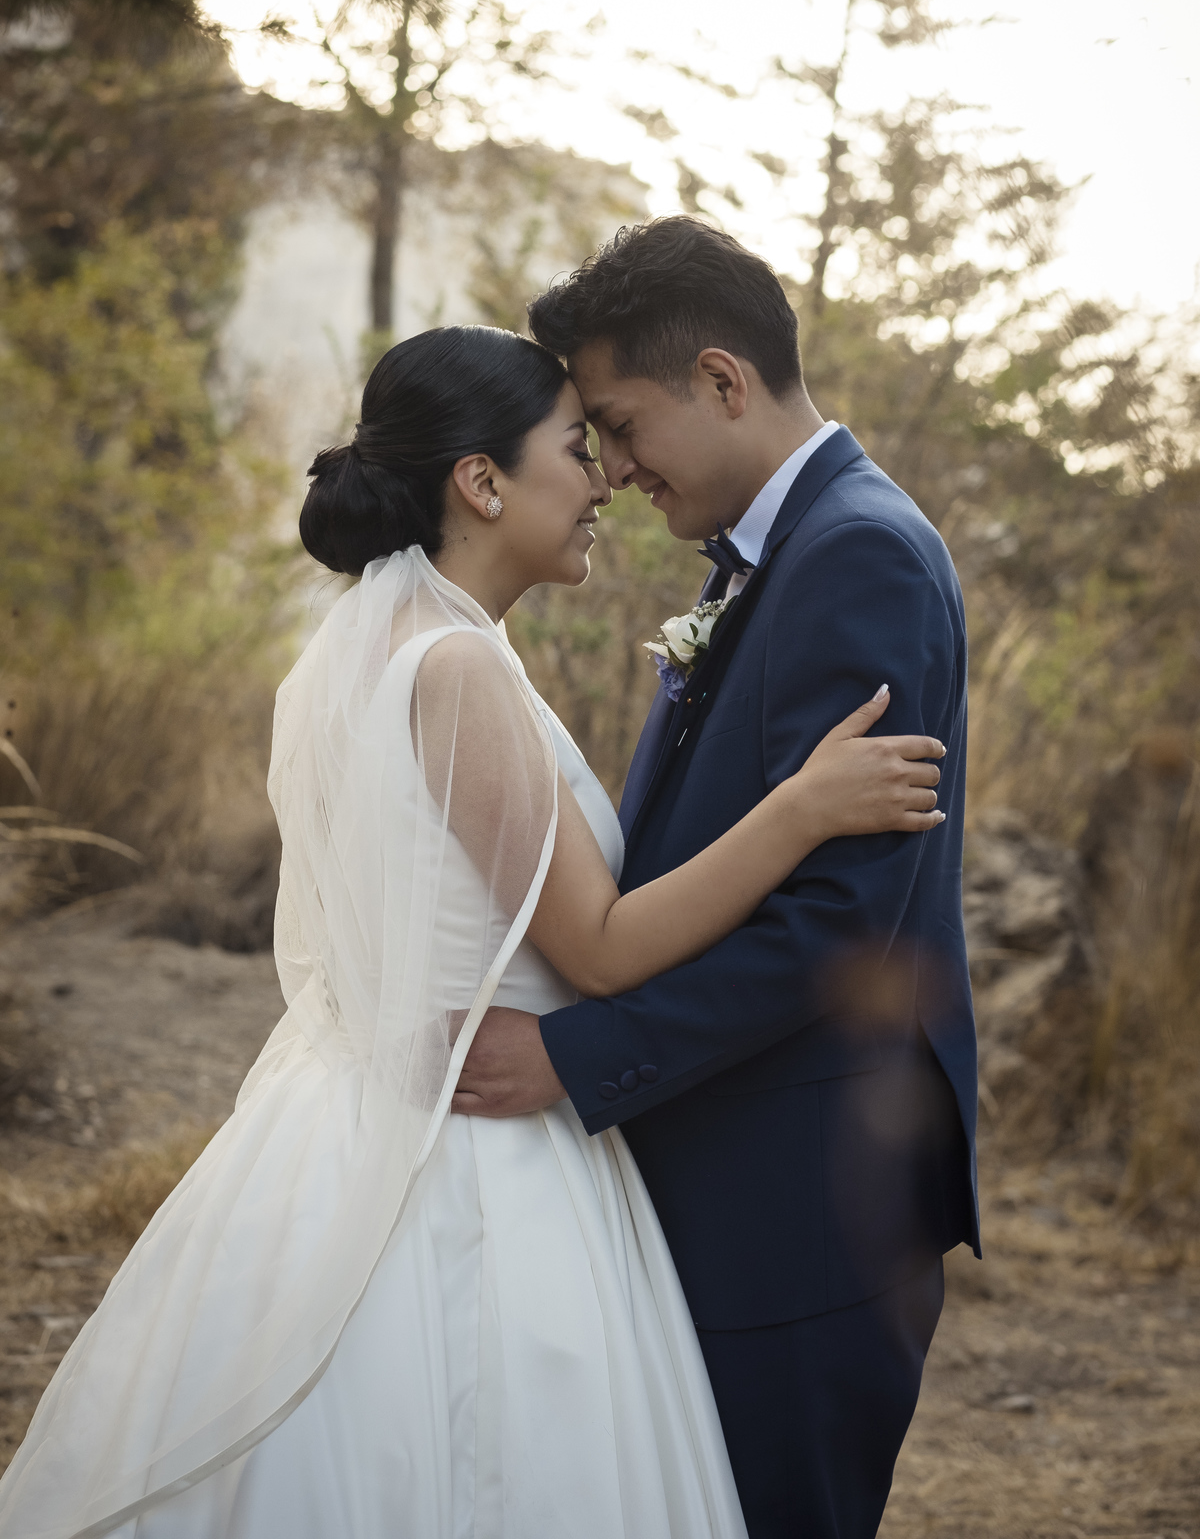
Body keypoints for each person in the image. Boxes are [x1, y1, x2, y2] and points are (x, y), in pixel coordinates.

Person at [0, 322, 946, 1539]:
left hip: (367, 1114)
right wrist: (801, 809)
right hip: (480, 1159)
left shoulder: (386, 648)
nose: (603, 480)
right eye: (576, 448)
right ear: (483, 482)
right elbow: (599, 946)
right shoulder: (457, 669)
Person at [454, 218, 981, 1539]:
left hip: (805, 1201)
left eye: (622, 426)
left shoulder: (857, 554)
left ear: (723, 381)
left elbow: (839, 927)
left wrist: (577, 1055)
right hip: (740, 1170)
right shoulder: (791, 549)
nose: (616, 468)